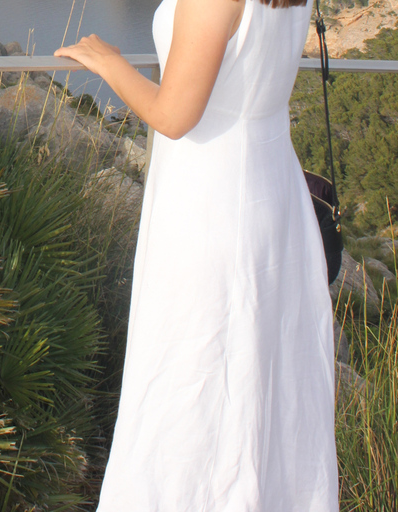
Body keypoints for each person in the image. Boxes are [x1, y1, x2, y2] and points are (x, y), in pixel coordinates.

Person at [54, 0, 338, 510]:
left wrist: (108, 61)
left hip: (213, 204)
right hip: (270, 188)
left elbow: (175, 114)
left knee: (194, 376)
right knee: (261, 380)